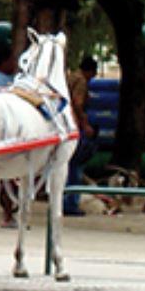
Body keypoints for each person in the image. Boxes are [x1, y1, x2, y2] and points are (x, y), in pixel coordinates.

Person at [62, 56, 99, 216]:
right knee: (75, 167)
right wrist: (85, 124)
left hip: (64, 125)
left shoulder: (69, 78)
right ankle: (71, 203)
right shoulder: (81, 81)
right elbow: (77, 103)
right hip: (74, 126)